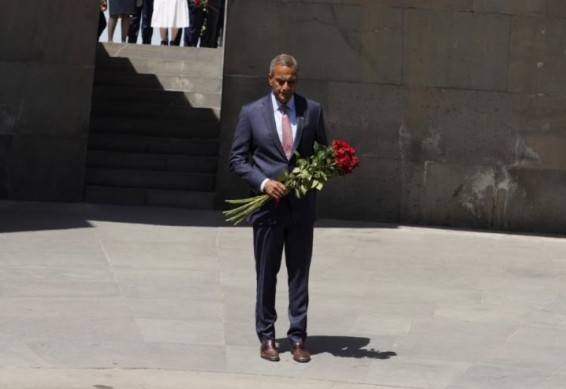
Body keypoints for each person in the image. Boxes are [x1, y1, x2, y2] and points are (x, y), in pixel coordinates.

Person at [228, 54, 328, 363]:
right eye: (281, 81)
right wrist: (263, 183)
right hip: (268, 208)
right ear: (270, 79)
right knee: (266, 273)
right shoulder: (251, 113)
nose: (286, 87)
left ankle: (298, 337)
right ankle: (267, 335)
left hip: (300, 208)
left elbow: (322, 154)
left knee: (299, 273)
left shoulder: (311, 110)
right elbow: (238, 159)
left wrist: (312, 174)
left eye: (291, 81)